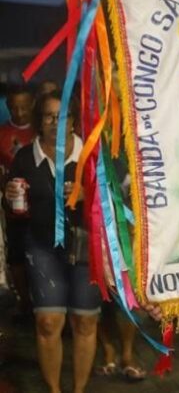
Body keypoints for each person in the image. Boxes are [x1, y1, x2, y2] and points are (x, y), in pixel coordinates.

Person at [3, 92, 101, 393]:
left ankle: (79, 390)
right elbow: (15, 210)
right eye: (49, 116)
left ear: (72, 121)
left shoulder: (91, 154)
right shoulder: (24, 158)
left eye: (62, 116)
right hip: (42, 247)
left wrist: (88, 196)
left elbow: (116, 202)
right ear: (39, 121)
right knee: (47, 323)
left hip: (85, 248)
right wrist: (9, 199)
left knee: (84, 323)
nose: (56, 122)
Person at [0, 88, 36, 318]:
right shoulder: (2, 132)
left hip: (41, 205)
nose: (19, 112)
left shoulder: (41, 129)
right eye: (14, 107)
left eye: (24, 106)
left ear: (33, 103)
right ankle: (24, 301)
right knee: (16, 255)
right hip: (14, 206)